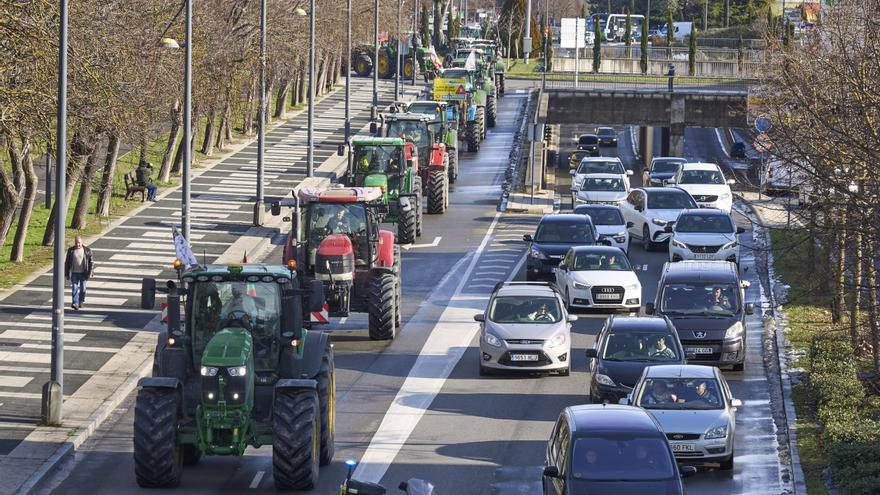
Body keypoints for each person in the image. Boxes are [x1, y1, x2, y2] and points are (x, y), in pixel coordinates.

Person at [64, 236, 94, 310]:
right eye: (76, 243)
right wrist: (67, 274)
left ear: (82, 242)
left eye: (79, 243)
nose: (78, 244)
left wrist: (90, 272)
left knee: (83, 288)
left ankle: (81, 302)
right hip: (74, 273)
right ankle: (75, 303)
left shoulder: (87, 250)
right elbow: (67, 262)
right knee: (74, 288)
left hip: (84, 273)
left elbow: (91, 262)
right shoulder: (71, 250)